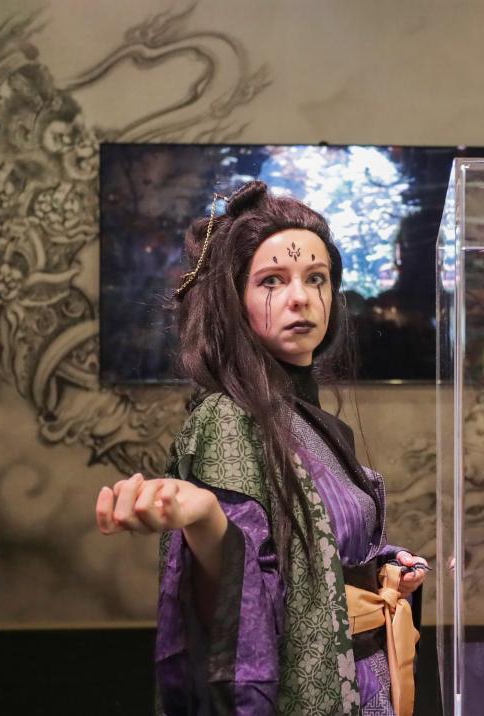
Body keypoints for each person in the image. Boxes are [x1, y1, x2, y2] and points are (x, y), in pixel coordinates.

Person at [95, 181, 428, 715]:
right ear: (235, 300)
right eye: (272, 280)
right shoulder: (229, 418)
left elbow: (326, 557)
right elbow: (239, 578)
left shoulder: (307, 417)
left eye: (316, 278)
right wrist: (204, 517)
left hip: (367, 679)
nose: (300, 297)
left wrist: (384, 568)